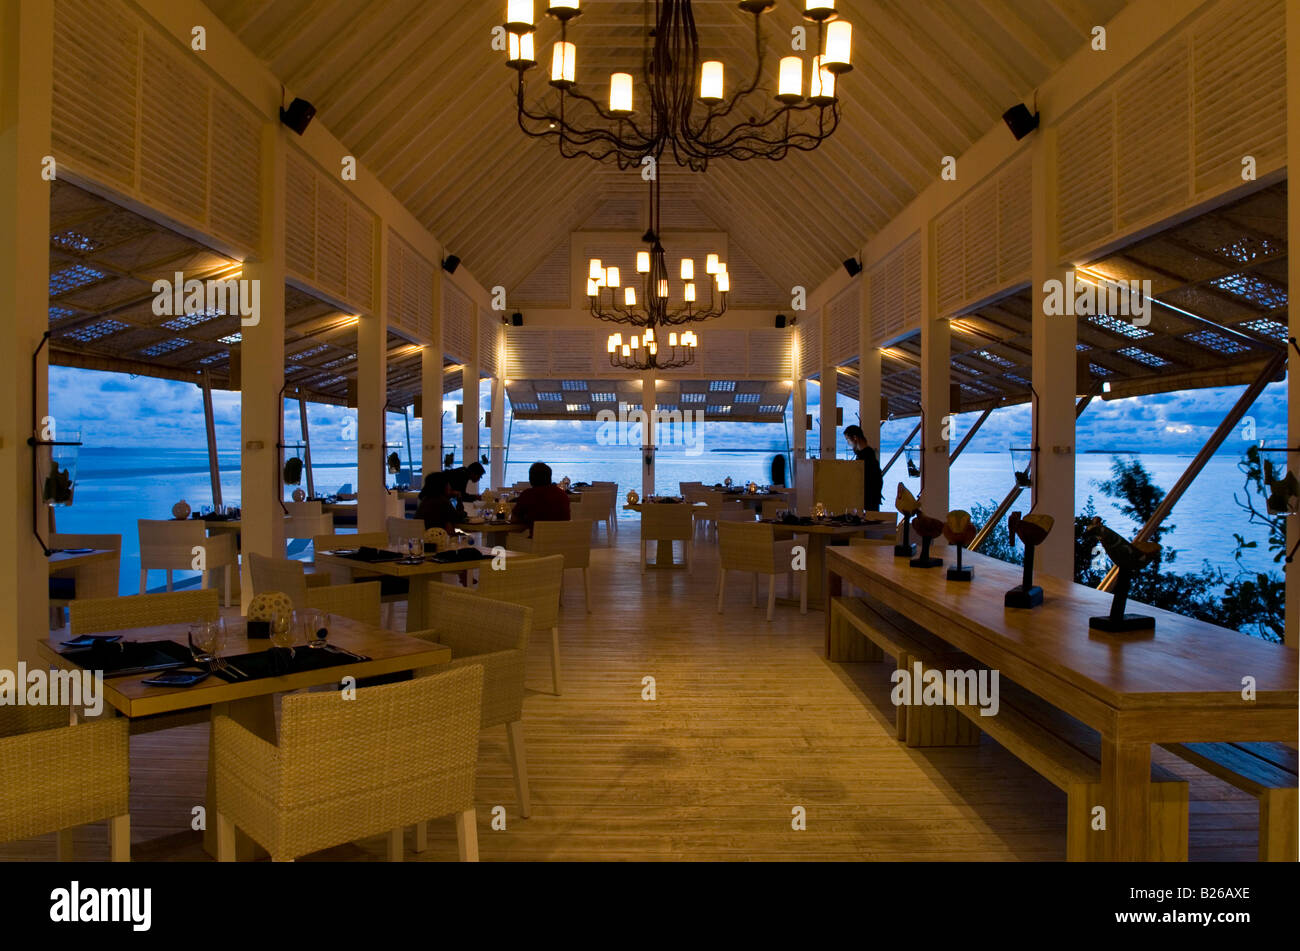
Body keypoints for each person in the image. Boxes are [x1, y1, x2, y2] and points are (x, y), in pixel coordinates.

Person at [511, 461, 571, 536]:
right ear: (549, 477)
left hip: (538, 543)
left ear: (531, 478)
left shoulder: (528, 495)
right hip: (562, 542)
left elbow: (514, 520)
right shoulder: (562, 495)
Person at [844, 424, 883, 511]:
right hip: (870, 497)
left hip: (867, 498)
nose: (848, 443)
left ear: (855, 438)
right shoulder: (867, 453)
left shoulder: (865, 455)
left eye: (848, 439)